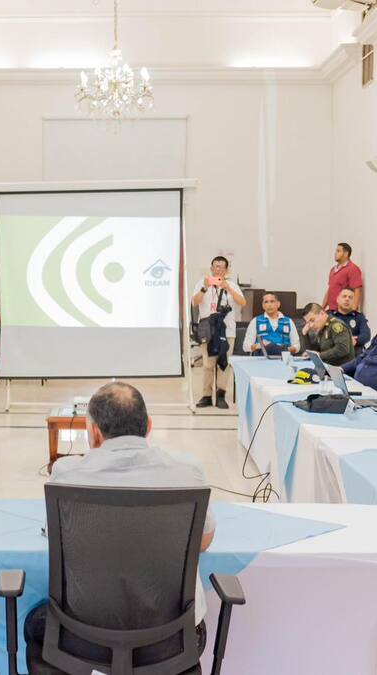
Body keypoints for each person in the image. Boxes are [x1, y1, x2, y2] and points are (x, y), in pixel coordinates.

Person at [47, 382, 214, 634]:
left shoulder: (66, 474)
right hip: (174, 640)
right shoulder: (188, 471)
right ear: (149, 426)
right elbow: (203, 541)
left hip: (85, 638)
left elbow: (59, 540)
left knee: (34, 624)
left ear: (94, 433)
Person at [190, 255, 246, 408]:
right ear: (211, 268)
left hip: (227, 331)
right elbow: (194, 302)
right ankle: (207, 396)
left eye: (222, 267)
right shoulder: (202, 283)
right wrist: (205, 287)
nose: (218, 269)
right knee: (208, 364)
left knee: (224, 363)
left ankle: (221, 395)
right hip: (208, 330)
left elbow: (242, 302)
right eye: (216, 266)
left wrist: (229, 289)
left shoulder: (232, 285)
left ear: (227, 270)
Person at [325, 242, 363, 312]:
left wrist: (353, 311)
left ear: (346, 254)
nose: (335, 253)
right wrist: (322, 308)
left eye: (338, 251)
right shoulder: (333, 270)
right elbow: (329, 290)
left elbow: (357, 290)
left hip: (344, 312)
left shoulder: (353, 269)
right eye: (336, 251)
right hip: (332, 311)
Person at [331, 288, 371, 356]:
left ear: (353, 301)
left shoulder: (359, 317)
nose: (347, 299)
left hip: (354, 355)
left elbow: (366, 335)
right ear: (338, 299)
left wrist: (356, 340)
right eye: (344, 296)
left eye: (350, 297)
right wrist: (347, 340)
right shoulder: (329, 316)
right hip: (333, 355)